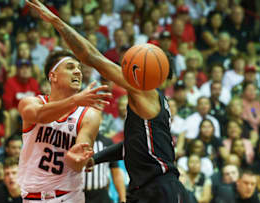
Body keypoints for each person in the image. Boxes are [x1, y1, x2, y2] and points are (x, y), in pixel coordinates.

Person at [25, 1, 191, 202]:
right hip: (149, 189)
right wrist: (97, 158)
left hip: (159, 189)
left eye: (138, 64)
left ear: (150, 71)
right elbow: (133, 145)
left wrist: (57, 22)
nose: (132, 65)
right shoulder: (156, 102)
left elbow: (92, 56)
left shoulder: (142, 90)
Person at [17, 48, 111, 202]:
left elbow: (77, 163)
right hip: (32, 197)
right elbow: (39, 115)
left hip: (68, 196)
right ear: (52, 76)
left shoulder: (89, 114)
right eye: (70, 67)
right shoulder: (31, 102)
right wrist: (76, 100)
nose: (77, 72)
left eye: (79, 68)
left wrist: (78, 159)